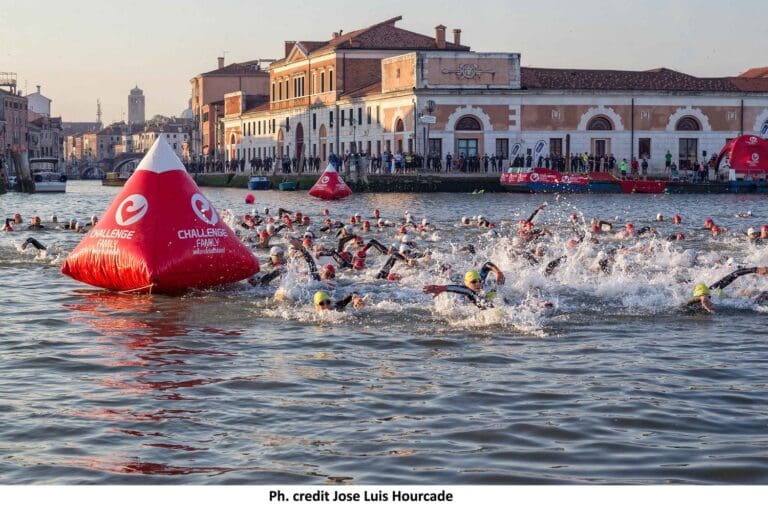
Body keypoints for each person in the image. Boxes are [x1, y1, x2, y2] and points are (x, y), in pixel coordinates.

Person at [687, 267, 768, 314]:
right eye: (703, 296)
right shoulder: (688, 306)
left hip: (735, 298)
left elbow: (734, 274)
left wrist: (755, 269)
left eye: (706, 296)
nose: (706, 299)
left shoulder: (713, 291)